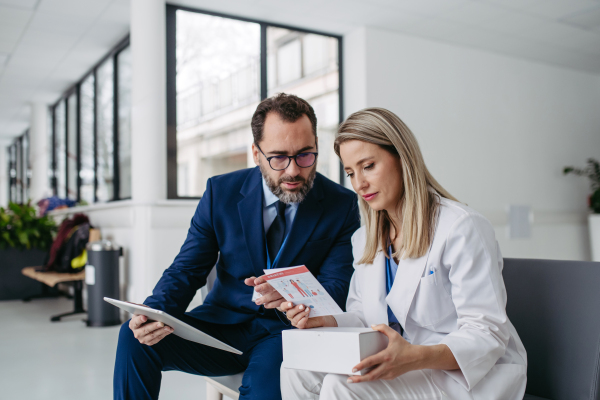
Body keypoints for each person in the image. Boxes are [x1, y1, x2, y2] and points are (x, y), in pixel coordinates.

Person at [113, 93, 360, 400]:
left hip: (286, 335)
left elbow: (336, 287)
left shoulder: (342, 204)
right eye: (279, 157)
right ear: (256, 153)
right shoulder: (221, 192)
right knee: (135, 337)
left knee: (262, 392)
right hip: (221, 326)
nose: (294, 170)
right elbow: (187, 269)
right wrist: (155, 312)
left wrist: (293, 294)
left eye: (305, 155)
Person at [280, 108, 527, 400]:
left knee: (341, 386)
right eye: (350, 172)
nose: (359, 184)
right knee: (295, 367)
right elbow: (365, 317)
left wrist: (414, 357)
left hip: (462, 374)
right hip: (403, 364)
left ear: (401, 157)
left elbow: (487, 332)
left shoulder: (461, 227)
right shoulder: (365, 239)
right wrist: (326, 321)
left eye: (368, 166)